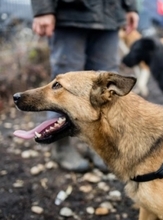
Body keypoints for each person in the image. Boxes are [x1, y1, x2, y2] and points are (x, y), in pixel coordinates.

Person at [31, 0, 139, 173]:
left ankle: (99, 144)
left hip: (109, 13)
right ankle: (60, 144)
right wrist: (43, 9)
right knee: (63, 84)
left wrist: (130, 6)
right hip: (70, 11)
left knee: (106, 83)